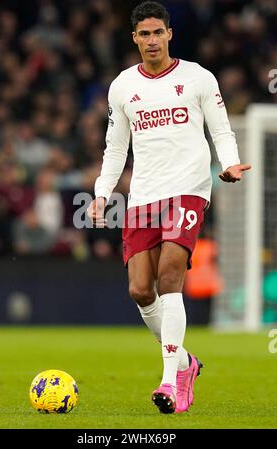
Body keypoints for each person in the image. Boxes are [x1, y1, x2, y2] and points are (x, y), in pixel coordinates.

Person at [87, 1, 251, 414]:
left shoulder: (198, 77)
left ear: (170, 34)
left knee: (169, 275)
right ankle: (185, 363)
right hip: (143, 195)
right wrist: (102, 192)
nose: (152, 40)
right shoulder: (123, 86)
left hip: (189, 190)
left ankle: (169, 383)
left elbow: (221, 129)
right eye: (144, 34)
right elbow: (114, 147)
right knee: (141, 290)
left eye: (158, 32)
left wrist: (229, 163)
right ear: (135, 39)